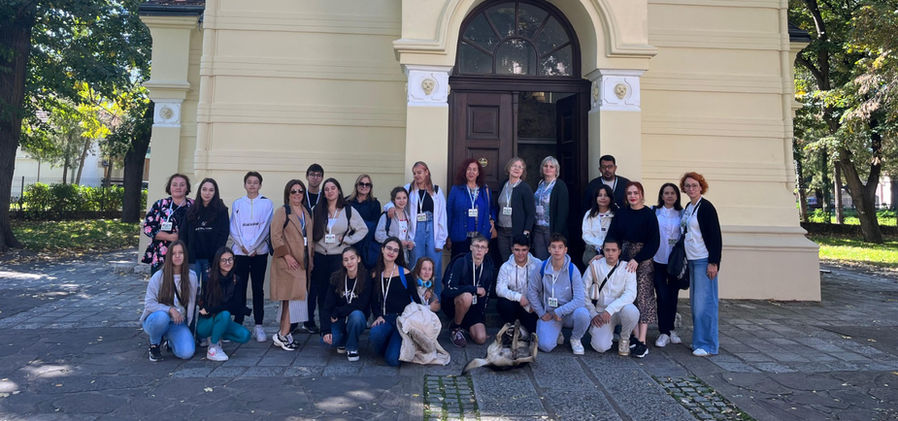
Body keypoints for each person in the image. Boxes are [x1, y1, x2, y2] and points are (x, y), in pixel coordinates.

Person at [309, 178, 369, 334]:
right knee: (322, 293)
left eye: (333, 188)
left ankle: (339, 325)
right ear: (323, 193)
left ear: (339, 191)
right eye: (326, 189)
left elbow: (363, 229)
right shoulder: (317, 209)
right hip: (320, 256)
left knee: (338, 292)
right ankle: (325, 328)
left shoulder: (348, 210)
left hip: (338, 257)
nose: (330, 191)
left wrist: (348, 240)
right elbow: (310, 233)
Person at [608, 181, 660, 358]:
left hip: (643, 259)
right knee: (628, 296)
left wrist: (638, 259)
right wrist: (607, 253)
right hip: (624, 257)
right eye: (629, 193)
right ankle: (634, 336)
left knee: (643, 298)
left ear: (641, 195)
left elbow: (654, 242)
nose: (632, 196)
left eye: (636, 193)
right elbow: (613, 235)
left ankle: (642, 341)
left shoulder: (649, 215)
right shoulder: (621, 213)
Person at [387, 161, 447, 293]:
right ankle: (414, 296)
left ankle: (435, 298)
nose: (416, 175)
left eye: (419, 172)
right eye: (414, 173)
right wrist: (390, 207)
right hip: (416, 231)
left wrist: (441, 240)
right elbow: (395, 200)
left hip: (433, 230)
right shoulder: (409, 188)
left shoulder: (436, 190)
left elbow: (442, 216)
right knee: (415, 264)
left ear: (427, 172)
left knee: (434, 266)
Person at [270, 180, 315, 351]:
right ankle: (283, 334)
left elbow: (309, 238)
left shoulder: (306, 212)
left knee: (290, 300)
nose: (297, 194)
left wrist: (311, 259)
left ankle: (284, 333)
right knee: (292, 298)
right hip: (288, 263)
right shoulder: (283, 211)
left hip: (302, 262)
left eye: (300, 191)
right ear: (288, 194)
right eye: (293, 191)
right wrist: (287, 256)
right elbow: (275, 236)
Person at [680, 172, 722, 357]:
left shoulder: (706, 208)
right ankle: (699, 341)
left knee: (706, 305)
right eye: (688, 185)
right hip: (692, 260)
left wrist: (714, 262)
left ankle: (708, 345)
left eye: (694, 185)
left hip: (704, 260)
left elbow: (715, 237)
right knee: (696, 304)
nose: (691, 189)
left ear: (701, 187)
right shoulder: (689, 207)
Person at [526, 233, 589, 354]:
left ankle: (575, 339)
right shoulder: (541, 267)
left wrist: (559, 311)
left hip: (568, 313)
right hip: (549, 314)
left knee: (583, 314)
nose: (557, 250)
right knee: (545, 346)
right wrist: (541, 313)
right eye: (553, 247)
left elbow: (580, 299)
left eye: (560, 247)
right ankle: (556, 332)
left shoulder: (573, 270)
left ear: (565, 250)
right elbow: (532, 291)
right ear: (549, 249)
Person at [229, 171, 273, 342]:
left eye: (256, 182)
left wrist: (253, 246)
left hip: (259, 253)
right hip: (240, 253)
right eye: (249, 182)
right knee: (239, 288)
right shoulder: (238, 203)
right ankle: (238, 323)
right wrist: (244, 247)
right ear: (245, 184)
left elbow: (266, 227)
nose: (252, 185)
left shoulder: (267, 203)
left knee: (258, 289)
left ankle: (258, 325)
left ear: (260, 185)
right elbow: (234, 227)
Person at [140, 240, 197, 361]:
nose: (177, 256)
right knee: (162, 317)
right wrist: (170, 309)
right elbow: (149, 304)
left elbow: (192, 303)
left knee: (187, 353)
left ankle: (170, 341)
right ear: (169, 256)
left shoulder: (191, 276)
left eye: (180, 253)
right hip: (156, 319)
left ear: (185, 255)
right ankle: (155, 344)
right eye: (174, 253)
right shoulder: (159, 276)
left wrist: (187, 325)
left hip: (177, 322)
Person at [369, 237, 422, 366]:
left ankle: (394, 345)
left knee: (394, 361)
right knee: (375, 333)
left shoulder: (405, 273)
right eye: (389, 248)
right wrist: (377, 316)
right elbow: (373, 300)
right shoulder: (375, 274)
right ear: (382, 249)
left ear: (399, 254)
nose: (391, 252)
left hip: (402, 320)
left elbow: (415, 299)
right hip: (385, 318)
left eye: (396, 250)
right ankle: (388, 345)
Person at [582, 238, 639, 356]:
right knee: (600, 347)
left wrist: (610, 309)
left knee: (632, 311)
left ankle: (624, 338)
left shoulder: (627, 267)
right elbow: (583, 292)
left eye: (614, 250)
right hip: (601, 312)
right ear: (603, 250)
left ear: (619, 251)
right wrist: (593, 313)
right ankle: (604, 333)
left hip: (621, 310)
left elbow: (630, 294)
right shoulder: (595, 265)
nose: (610, 253)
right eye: (607, 250)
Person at [196, 247, 252, 361]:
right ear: (218, 262)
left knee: (245, 335)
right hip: (207, 321)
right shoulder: (209, 279)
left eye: (230, 259)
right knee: (225, 314)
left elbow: (236, 305)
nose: (228, 263)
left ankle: (217, 334)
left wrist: (216, 309)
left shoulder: (236, 279)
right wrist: (225, 308)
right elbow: (208, 307)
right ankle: (213, 348)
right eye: (224, 260)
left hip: (221, 318)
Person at [442, 234, 495, 347]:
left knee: (480, 338)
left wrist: (481, 319)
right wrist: (473, 289)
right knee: (467, 296)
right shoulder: (460, 262)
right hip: (454, 304)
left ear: (486, 250)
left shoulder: (488, 266)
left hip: (474, 308)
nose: (479, 250)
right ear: (471, 247)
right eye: (476, 246)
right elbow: (448, 289)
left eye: (482, 247)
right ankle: (455, 328)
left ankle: (465, 326)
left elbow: (487, 294)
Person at [322, 247, 372, 362]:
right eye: (346, 260)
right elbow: (327, 305)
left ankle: (352, 347)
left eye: (352, 258)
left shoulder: (366, 278)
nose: (349, 262)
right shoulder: (336, 278)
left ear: (358, 259)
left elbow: (360, 305)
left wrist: (337, 312)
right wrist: (326, 330)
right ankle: (343, 339)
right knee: (328, 341)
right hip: (339, 320)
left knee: (357, 315)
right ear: (343, 262)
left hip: (356, 317)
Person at [652, 183, 684, 348]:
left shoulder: (682, 213)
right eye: (666, 193)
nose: (669, 196)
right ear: (661, 196)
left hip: (675, 262)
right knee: (662, 295)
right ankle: (663, 331)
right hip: (658, 260)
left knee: (673, 296)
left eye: (672, 193)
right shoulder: (654, 211)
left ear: (677, 196)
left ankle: (671, 329)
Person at [179, 178, 229, 284]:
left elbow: (224, 234)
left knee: (210, 288)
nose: (207, 193)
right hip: (193, 258)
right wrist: (185, 253)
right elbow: (183, 234)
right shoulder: (191, 211)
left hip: (211, 259)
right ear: (200, 191)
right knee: (192, 288)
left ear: (215, 192)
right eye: (204, 189)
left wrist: (217, 256)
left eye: (211, 190)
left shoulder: (222, 211)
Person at [142, 173, 193, 273]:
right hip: (162, 255)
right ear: (169, 187)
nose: (178, 187)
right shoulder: (160, 205)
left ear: (187, 188)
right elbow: (147, 228)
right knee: (160, 282)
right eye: (174, 184)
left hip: (186, 255)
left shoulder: (193, 206)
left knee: (183, 282)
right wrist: (169, 237)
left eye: (182, 185)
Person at [446, 158, 494, 260]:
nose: (471, 172)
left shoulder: (485, 190)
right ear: (464, 172)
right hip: (460, 238)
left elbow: (491, 209)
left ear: (478, 173)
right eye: (468, 169)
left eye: (474, 169)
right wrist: (448, 236)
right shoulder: (456, 189)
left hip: (480, 239)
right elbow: (449, 213)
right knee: (459, 265)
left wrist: (492, 220)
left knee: (478, 266)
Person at [495, 235, 539, 334]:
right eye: (517, 250)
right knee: (503, 303)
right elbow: (499, 289)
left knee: (534, 330)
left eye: (524, 250)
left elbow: (544, 288)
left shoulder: (537, 264)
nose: (520, 253)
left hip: (531, 306)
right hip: (514, 303)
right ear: (512, 249)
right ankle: (511, 328)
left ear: (528, 249)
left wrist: (535, 303)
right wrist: (519, 297)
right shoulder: (505, 266)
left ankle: (521, 331)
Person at [496, 157, 535, 263]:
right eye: (514, 166)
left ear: (523, 171)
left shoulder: (525, 188)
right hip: (502, 231)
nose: (517, 169)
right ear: (509, 168)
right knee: (505, 260)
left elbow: (531, 213)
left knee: (518, 261)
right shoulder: (503, 185)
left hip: (517, 231)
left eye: (520, 167)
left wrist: (526, 231)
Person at [531, 156, 569, 260]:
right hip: (538, 228)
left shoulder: (560, 186)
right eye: (545, 166)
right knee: (540, 258)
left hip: (551, 229)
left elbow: (562, 212)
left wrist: (557, 234)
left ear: (556, 170)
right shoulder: (540, 183)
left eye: (551, 167)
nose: (548, 168)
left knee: (553, 259)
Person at [346, 174, 382, 269]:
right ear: (356, 185)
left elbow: (375, 225)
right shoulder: (347, 202)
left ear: (371, 187)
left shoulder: (375, 204)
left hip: (366, 243)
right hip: (350, 240)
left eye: (367, 184)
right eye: (361, 184)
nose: (364, 186)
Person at [375, 186, 415, 265]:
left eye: (404, 198)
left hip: (403, 255)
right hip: (389, 254)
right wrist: (396, 242)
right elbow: (378, 235)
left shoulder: (408, 216)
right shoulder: (387, 215)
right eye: (398, 198)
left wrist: (410, 242)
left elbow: (408, 234)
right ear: (393, 200)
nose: (402, 201)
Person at [581, 184, 617, 265]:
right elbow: (586, 235)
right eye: (600, 195)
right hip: (593, 249)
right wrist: (601, 244)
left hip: (611, 249)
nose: (603, 198)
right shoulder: (589, 214)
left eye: (606, 195)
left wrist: (607, 246)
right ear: (596, 198)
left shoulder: (616, 214)